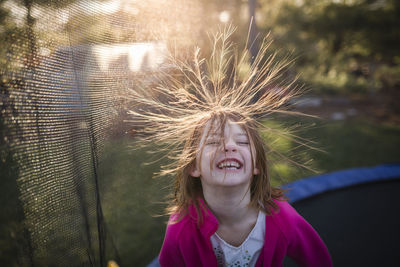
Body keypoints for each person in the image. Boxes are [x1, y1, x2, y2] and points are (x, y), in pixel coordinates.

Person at [129, 26, 332, 267]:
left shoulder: (281, 218)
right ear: (194, 165)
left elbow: (319, 259)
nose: (230, 147)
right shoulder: (182, 227)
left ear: (257, 165)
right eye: (214, 141)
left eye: (243, 141)